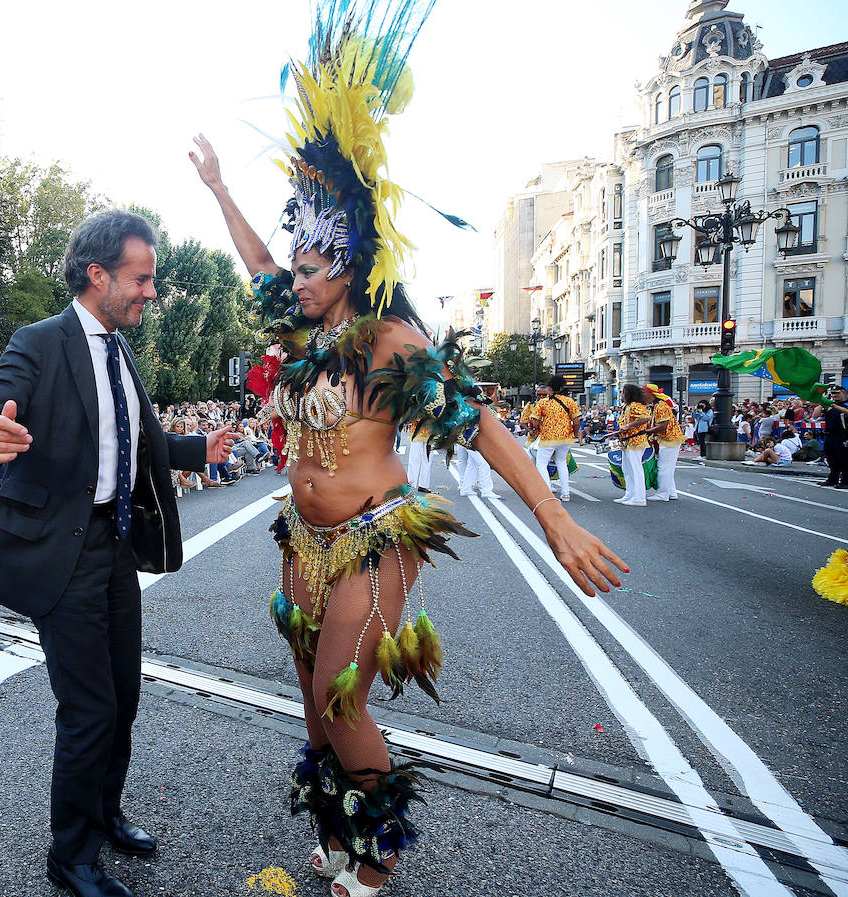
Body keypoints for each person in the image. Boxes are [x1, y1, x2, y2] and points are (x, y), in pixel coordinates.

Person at [187, 15, 625, 889]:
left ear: (350, 266)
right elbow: (257, 259)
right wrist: (219, 190)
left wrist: (554, 516)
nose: (296, 279)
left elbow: (479, 422)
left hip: (374, 536)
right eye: (298, 268)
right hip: (300, 541)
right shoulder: (298, 324)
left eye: (314, 267)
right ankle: (338, 834)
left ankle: (377, 862)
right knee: (313, 704)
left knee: (342, 699)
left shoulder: (390, 342)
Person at [0, 209, 224, 897]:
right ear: (97, 274)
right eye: (142, 278)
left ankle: (103, 813)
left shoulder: (120, 348)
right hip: (62, 552)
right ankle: (69, 855)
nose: (152, 292)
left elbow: (134, 437)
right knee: (89, 708)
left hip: (115, 542)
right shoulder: (41, 341)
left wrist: (196, 449)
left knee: (123, 697)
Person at [529, 376, 581, 502]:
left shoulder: (543, 402)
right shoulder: (569, 401)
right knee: (562, 463)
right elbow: (577, 421)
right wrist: (574, 434)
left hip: (548, 437)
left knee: (541, 463)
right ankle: (565, 493)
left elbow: (535, 421)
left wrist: (536, 429)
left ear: (550, 388)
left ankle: (547, 493)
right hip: (565, 437)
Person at [615, 384, 653, 506]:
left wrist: (628, 426)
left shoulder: (636, 405)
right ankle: (630, 494)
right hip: (628, 441)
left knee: (636, 469)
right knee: (627, 468)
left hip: (636, 440)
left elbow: (645, 418)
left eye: (623, 392)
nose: (621, 395)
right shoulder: (628, 406)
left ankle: (639, 497)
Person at [645, 384, 682, 502]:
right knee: (667, 467)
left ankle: (663, 494)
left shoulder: (661, 406)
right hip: (667, 438)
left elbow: (663, 425)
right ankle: (671, 492)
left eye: (644, 393)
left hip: (669, 438)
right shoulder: (657, 406)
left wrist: (647, 431)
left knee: (664, 467)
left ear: (651, 394)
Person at [818, 385, 848, 488]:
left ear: (844, 393)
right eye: (833, 393)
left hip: (842, 435)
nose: (835, 395)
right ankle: (832, 479)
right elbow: (815, 415)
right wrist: (822, 402)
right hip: (829, 435)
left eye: (837, 393)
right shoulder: (830, 404)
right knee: (831, 459)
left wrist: (834, 406)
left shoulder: (845, 404)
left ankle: (845, 481)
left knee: (844, 459)